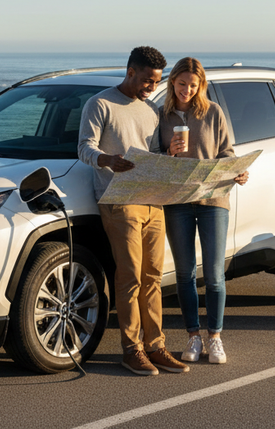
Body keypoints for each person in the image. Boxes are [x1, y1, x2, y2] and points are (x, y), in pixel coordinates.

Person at [78, 46, 188, 377]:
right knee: (129, 277)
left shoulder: (151, 110)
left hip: (152, 199)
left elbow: (152, 153)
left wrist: (168, 154)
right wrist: (107, 160)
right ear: (130, 72)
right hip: (118, 199)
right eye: (147, 81)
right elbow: (84, 147)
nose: (152, 88)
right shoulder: (100, 104)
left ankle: (156, 346)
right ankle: (131, 349)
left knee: (152, 276)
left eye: (156, 82)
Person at [160, 57, 249, 365]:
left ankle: (215, 337)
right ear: (172, 81)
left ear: (201, 86)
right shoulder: (162, 115)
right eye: (182, 83)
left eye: (193, 85)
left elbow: (227, 152)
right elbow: (152, 156)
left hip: (213, 201)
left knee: (213, 274)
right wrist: (166, 152)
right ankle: (193, 336)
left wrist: (237, 171)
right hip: (178, 202)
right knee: (184, 273)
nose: (186, 90)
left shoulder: (213, 112)